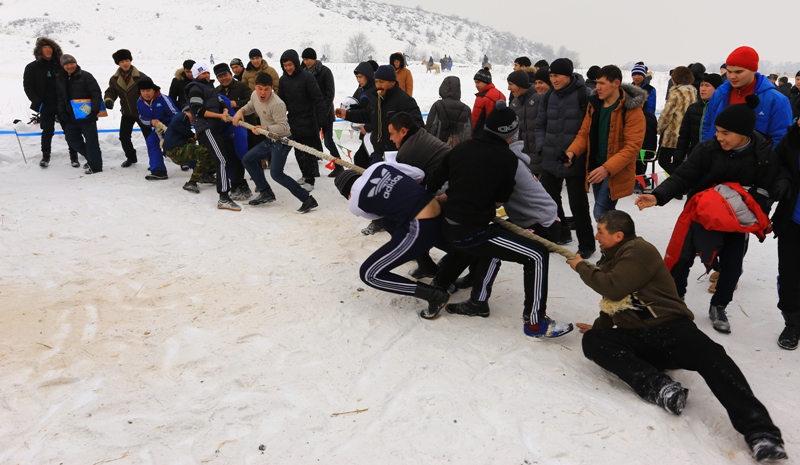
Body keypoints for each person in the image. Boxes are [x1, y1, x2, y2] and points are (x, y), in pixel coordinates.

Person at [566, 210, 787, 463]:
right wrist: (598, 329)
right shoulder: (610, 258)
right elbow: (613, 301)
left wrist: (581, 267)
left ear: (618, 235)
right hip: (638, 337)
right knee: (595, 341)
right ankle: (660, 387)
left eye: (600, 231)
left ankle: (761, 433)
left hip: (671, 329)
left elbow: (614, 287)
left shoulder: (638, 250)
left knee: (710, 353)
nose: (596, 236)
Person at [426, 100, 573, 338]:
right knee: (521, 251)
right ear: (513, 135)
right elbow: (496, 200)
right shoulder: (502, 159)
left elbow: (438, 183)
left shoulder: (469, 152)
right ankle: (530, 321)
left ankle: (477, 301)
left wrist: (442, 198)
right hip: (480, 228)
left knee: (498, 245)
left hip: (531, 224)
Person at [635, 96, 780, 334]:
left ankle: (719, 306)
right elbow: (683, 176)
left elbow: (767, 189)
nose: (719, 137)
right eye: (717, 131)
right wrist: (658, 196)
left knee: (732, 267)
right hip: (700, 214)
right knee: (682, 260)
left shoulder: (763, 155)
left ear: (744, 133)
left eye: (725, 133)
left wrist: (754, 208)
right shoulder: (708, 148)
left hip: (735, 221)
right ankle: (676, 301)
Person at [334, 163, 450, 319]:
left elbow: (375, 215)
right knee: (389, 222)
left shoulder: (355, 203)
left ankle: (434, 296)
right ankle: (426, 266)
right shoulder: (378, 166)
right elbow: (419, 173)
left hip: (422, 227)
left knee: (369, 274)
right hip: (438, 209)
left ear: (347, 195)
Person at [566, 64, 646, 222]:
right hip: (596, 166)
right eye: (597, 83)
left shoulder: (632, 110)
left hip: (615, 170)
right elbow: (583, 134)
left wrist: (607, 168)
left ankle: (619, 239)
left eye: (602, 83)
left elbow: (632, 147)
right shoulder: (594, 105)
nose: (598, 87)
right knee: (607, 212)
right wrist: (571, 152)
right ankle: (614, 241)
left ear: (616, 83)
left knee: (600, 212)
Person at [534, 58, 594, 255]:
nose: (554, 79)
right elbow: (540, 125)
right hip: (551, 156)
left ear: (568, 75)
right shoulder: (548, 96)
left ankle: (586, 244)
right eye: (551, 76)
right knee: (550, 200)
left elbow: (589, 129)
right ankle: (560, 233)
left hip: (574, 158)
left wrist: (577, 152)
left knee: (578, 204)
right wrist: (542, 147)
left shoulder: (584, 95)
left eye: (557, 75)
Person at [234, 73, 318, 213]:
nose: (262, 92)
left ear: (272, 88)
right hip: (269, 138)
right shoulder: (255, 95)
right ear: (255, 87)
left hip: (282, 140)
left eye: (266, 89)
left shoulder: (277, 104)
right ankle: (265, 192)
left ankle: (307, 199)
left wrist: (265, 128)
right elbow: (251, 106)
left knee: (276, 173)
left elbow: (284, 128)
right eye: (260, 88)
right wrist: (240, 111)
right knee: (247, 159)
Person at [702, 46, 792, 148]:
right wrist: (706, 151)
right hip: (717, 159)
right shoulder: (719, 93)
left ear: (753, 70)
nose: (732, 76)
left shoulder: (776, 100)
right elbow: (708, 124)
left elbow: (780, 138)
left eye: (738, 72)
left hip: (755, 161)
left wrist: (764, 160)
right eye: (729, 71)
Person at [185, 62, 241, 211]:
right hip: (207, 128)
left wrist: (224, 110)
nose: (207, 75)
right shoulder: (195, 88)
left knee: (226, 157)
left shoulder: (209, 88)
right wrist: (219, 116)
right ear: (197, 75)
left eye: (207, 72)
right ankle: (223, 197)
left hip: (215, 128)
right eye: (203, 73)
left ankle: (231, 188)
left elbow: (221, 101)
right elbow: (197, 110)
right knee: (221, 160)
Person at [23, 36, 79, 168]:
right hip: (45, 104)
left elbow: (73, 79)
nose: (48, 50)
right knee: (47, 131)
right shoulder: (32, 67)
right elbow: (28, 86)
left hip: (63, 103)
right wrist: (38, 102)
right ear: (39, 50)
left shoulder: (61, 65)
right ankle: (46, 156)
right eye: (45, 48)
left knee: (69, 129)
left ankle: (74, 155)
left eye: (50, 48)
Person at [278, 49, 326, 191]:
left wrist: (322, 121)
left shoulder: (307, 77)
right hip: (293, 121)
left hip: (309, 120)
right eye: (285, 65)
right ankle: (305, 175)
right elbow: (281, 103)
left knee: (309, 151)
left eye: (290, 65)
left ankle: (310, 180)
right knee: (299, 151)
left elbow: (318, 99)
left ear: (296, 64)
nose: (288, 68)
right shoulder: (283, 80)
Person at [771, 112, 800, 350]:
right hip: (794, 220)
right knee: (790, 274)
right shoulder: (793, 138)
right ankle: (792, 322)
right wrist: (782, 181)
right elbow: (776, 164)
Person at [55, 54, 103, 175]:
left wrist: (94, 112)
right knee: (71, 139)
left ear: (76, 63)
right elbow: (60, 97)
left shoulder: (86, 76)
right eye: (66, 64)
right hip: (71, 117)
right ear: (63, 66)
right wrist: (61, 112)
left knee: (92, 142)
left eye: (72, 63)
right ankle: (91, 158)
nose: (70, 66)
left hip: (87, 115)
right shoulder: (60, 78)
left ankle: (96, 166)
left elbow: (96, 94)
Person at [104, 49, 151, 168]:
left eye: (127, 60)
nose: (125, 63)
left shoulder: (141, 77)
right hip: (126, 113)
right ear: (118, 63)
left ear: (130, 61)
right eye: (122, 61)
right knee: (124, 137)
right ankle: (131, 157)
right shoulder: (114, 79)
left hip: (143, 113)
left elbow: (152, 92)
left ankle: (155, 160)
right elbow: (111, 91)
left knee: (150, 137)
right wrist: (109, 100)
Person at [301, 47, 343, 177]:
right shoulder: (303, 73)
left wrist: (323, 112)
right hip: (310, 113)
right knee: (311, 141)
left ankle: (339, 166)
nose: (306, 62)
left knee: (328, 141)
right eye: (304, 59)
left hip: (325, 113)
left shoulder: (325, 72)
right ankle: (313, 169)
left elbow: (330, 94)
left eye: (308, 59)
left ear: (314, 59)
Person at [671, 73, 724, 175]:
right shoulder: (693, 108)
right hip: (695, 155)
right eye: (701, 85)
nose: (702, 89)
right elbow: (684, 135)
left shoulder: (722, 108)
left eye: (707, 86)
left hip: (717, 157)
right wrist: (679, 156)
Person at [161, 105, 217, 193]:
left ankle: (206, 174)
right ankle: (192, 182)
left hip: (176, 151)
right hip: (175, 150)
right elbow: (175, 124)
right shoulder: (182, 116)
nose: (194, 121)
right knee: (206, 151)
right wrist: (192, 135)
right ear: (187, 112)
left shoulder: (184, 123)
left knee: (212, 153)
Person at [135, 77, 180, 180]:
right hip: (158, 130)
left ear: (153, 90)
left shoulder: (163, 99)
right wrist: (151, 122)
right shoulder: (139, 102)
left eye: (148, 90)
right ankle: (159, 170)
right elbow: (142, 118)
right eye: (143, 91)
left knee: (178, 145)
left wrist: (171, 130)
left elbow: (176, 115)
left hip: (172, 128)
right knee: (151, 141)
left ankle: (198, 167)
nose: (146, 93)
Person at [655, 66, 697, 176]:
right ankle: (679, 188)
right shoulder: (692, 91)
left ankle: (680, 182)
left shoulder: (676, 93)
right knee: (678, 162)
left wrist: (659, 129)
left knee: (663, 160)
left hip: (672, 134)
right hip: (685, 133)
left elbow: (667, 114)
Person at [425, 75, 471, 147]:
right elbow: (468, 133)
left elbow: (431, 128)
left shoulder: (437, 105)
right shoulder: (466, 109)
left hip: (438, 148)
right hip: (458, 151)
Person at [471, 67, 505, 133]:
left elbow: (475, 121)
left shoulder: (481, 98)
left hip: (483, 135)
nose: (476, 85)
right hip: (499, 133)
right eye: (475, 82)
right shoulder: (500, 94)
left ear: (486, 82)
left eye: (478, 82)